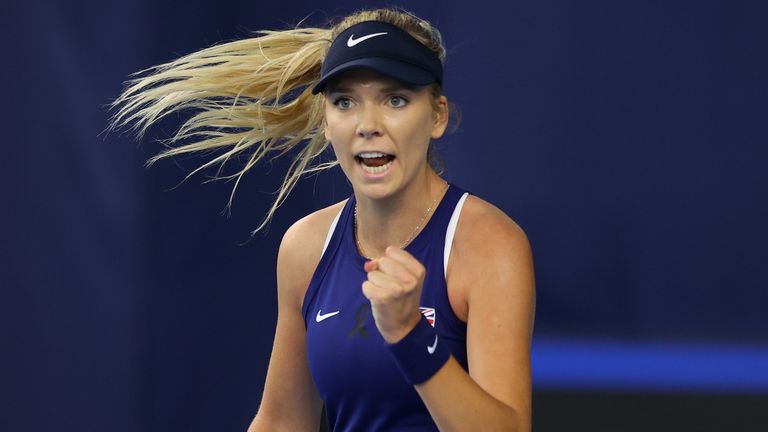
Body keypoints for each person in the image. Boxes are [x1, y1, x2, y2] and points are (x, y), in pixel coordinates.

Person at [111, 8, 535, 431]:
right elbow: (282, 422)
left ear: (437, 115)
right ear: (327, 123)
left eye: (396, 99)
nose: (368, 125)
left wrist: (411, 335)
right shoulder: (306, 246)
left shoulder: (488, 244)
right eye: (345, 101)